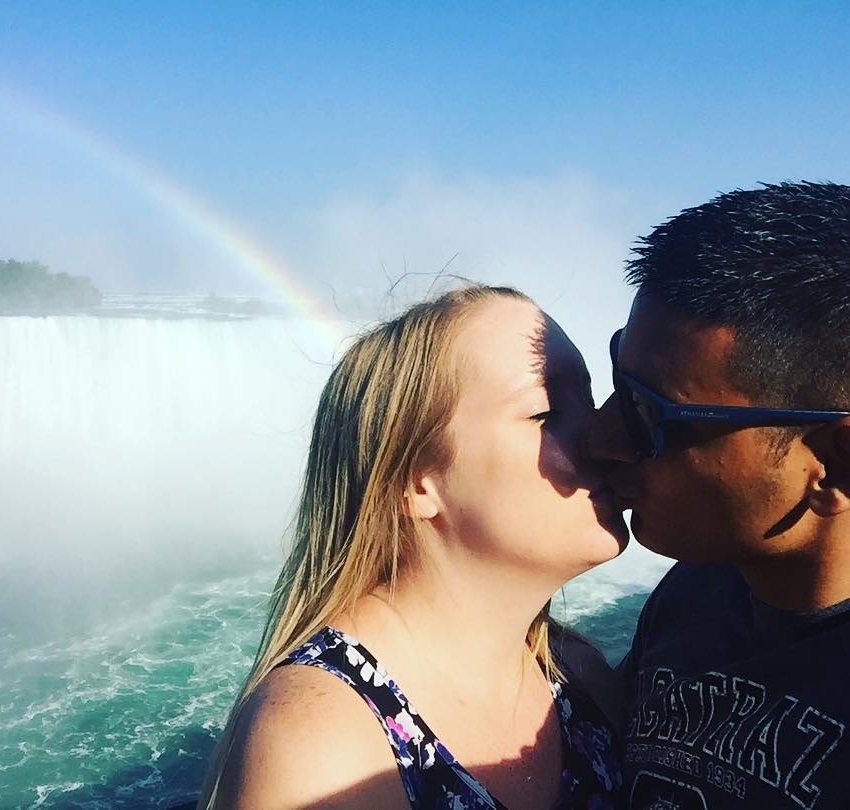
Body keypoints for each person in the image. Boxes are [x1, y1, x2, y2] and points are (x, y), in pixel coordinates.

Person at [200, 284, 629, 809]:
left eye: (589, 398)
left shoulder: (579, 678)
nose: (607, 437)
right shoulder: (323, 746)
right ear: (418, 481)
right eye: (545, 412)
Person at [585, 181, 850, 809]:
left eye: (650, 413)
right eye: (619, 376)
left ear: (833, 465)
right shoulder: (696, 591)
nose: (599, 436)